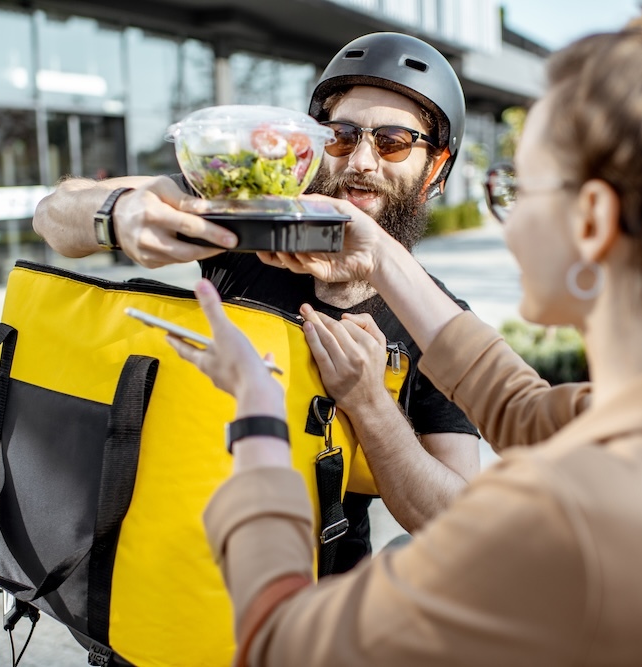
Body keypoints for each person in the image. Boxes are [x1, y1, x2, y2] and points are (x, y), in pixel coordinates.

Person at [172, 0, 642, 664]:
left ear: (590, 220)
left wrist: (257, 417)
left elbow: (280, 642)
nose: (501, 214)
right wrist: (382, 257)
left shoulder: (556, 523)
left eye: (514, 188)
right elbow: (523, 407)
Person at [32, 32, 481, 571]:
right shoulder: (248, 226)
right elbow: (54, 213)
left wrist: (369, 403)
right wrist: (120, 213)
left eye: (393, 142)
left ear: (434, 169)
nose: (361, 160)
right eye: (340, 135)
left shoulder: (440, 324)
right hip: (172, 583)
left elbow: (458, 524)